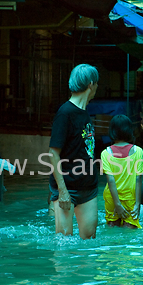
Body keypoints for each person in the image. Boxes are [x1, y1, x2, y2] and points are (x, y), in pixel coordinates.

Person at [49, 64, 99, 239]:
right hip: (67, 187)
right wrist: (62, 191)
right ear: (91, 84)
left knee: (89, 241)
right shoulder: (65, 113)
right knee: (64, 241)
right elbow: (53, 154)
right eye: (97, 84)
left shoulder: (84, 113)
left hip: (88, 186)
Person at [101, 115, 143, 229]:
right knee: (130, 235)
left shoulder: (105, 153)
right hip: (130, 198)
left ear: (112, 131)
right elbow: (138, 179)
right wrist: (137, 204)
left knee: (112, 231)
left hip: (112, 199)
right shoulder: (138, 151)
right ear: (129, 130)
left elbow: (111, 180)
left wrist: (117, 204)